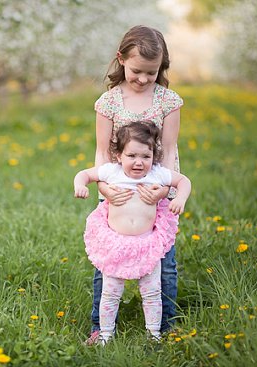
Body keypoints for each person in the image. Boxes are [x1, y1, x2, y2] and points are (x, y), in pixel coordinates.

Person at [87, 24, 184, 345]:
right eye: (137, 71)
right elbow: (103, 150)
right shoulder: (109, 103)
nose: (143, 79)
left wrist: (163, 192)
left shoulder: (168, 101)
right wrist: (103, 188)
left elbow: (168, 150)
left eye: (152, 73)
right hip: (117, 191)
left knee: (163, 261)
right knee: (108, 260)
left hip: (155, 189)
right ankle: (99, 327)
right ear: (121, 60)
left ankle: (165, 327)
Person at [74, 121, 191, 345]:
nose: (139, 162)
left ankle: (153, 334)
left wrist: (180, 198)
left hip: (147, 244)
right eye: (132, 156)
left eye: (146, 157)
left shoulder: (157, 174)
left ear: (153, 157)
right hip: (116, 245)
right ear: (119, 155)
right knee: (110, 292)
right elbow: (84, 174)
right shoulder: (112, 171)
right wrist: (80, 186)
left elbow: (183, 180)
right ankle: (106, 334)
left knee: (152, 292)